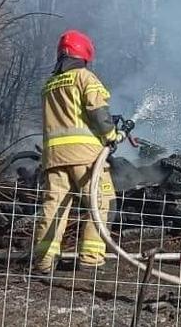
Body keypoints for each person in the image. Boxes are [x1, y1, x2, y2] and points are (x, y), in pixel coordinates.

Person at [34, 29, 128, 270]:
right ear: (85, 54)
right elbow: (97, 112)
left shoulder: (50, 84)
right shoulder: (85, 77)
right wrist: (112, 135)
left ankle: (44, 262)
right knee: (101, 202)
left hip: (54, 157)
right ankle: (91, 259)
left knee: (54, 207)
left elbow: (70, 116)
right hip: (86, 157)